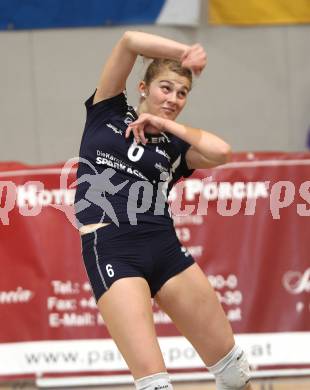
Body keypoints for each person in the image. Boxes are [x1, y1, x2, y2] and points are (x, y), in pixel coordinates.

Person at [74, 31, 252, 390]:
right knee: (155, 385)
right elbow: (128, 41)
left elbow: (223, 152)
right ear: (143, 87)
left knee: (236, 373)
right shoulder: (107, 108)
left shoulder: (175, 144)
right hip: (113, 247)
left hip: (164, 248)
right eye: (165, 88)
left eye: (182, 93)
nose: (172, 98)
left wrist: (165, 125)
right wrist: (186, 52)